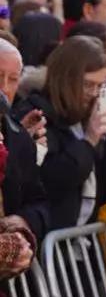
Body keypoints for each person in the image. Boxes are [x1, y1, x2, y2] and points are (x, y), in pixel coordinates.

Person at [20, 36, 106, 230]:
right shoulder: (36, 114)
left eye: (100, 86)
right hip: (50, 246)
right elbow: (51, 179)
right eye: (88, 84)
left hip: (79, 246)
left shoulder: (83, 119)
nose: (94, 93)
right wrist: (89, 140)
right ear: (64, 79)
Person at [0, 39, 49, 242]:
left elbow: (39, 202)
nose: (3, 88)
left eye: (12, 79)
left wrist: (24, 220)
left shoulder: (18, 138)